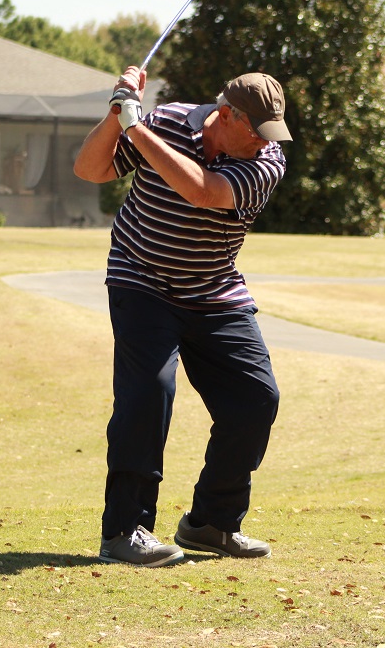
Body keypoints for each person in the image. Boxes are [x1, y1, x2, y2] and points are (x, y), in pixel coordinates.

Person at [73, 65, 293, 567]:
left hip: (213, 290)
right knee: (149, 394)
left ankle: (211, 524)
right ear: (227, 114)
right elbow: (91, 170)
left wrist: (136, 127)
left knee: (255, 400)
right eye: (257, 131)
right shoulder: (167, 121)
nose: (265, 143)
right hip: (140, 280)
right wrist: (117, 113)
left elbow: (203, 191)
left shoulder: (267, 162)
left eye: (270, 134)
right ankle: (125, 532)